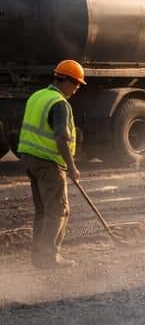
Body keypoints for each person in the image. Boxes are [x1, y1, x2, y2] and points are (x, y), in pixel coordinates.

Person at [17, 60, 85, 269]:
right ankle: (50, 257)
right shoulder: (59, 103)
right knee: (58, 210)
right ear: (67, 81)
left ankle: (39, 257)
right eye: (76, 85)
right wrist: (71, 167)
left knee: (43, 211)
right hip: (48, 163)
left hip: (30, 160)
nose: (76, 89)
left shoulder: (37, 96)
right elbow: (61, 138)